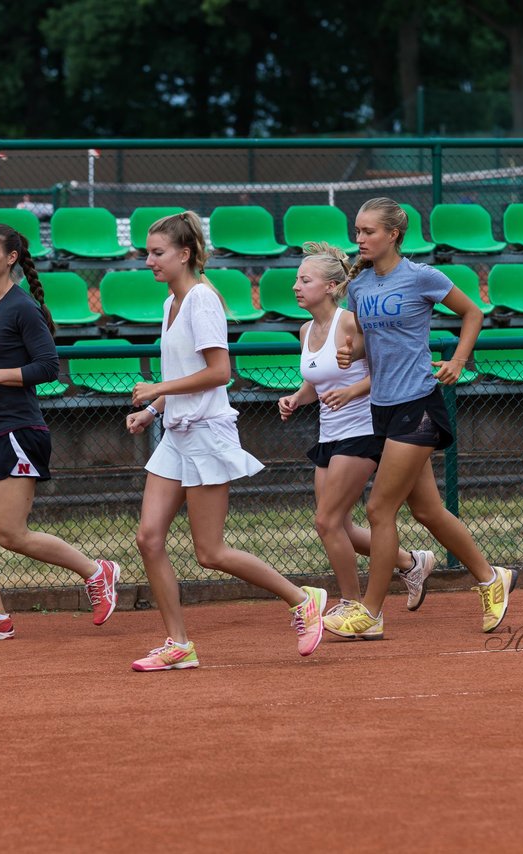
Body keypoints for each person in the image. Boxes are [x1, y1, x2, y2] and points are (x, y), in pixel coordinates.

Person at [124, 211, 327, 671]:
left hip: (207, 434)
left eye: (157, 253)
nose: (149, 261)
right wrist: (153, 410)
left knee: (210, 552)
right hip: (176, 433)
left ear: (185, 253)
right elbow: (182, 373)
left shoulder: (201, 300)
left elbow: (220, 373)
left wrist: (157, 391)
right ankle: (178, 643)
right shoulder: (170, 304)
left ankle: (302, 599)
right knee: (148, 538)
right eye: (148, 253)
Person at [0, 222, 121, 642]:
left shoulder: (23, 307)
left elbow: (48, 367)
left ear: (10, 258)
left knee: (11, 534)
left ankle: (96, 570)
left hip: (20, 430)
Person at [332, 197, 516, 638]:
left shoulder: (421, 277)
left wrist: (458, 359)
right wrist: (349, 351)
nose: (359, 239)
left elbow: (473, 312)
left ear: (393, 234)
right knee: (429, 512)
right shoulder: (359, 287)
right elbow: (365, 341)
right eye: (357, 231)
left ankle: (371, 613)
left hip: (418, 404)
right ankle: (492, 579)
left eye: (369, 231)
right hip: (383, 407)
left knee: (379, 508)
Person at [277, 242, 435, 635]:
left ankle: (355, 605)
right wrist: (297, 398)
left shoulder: (350, 321)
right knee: (340, 526)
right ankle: (409, 563)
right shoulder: (305, 329)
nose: (296, 286)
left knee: (326, 520)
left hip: (364, 431)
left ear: (332, 287)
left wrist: (352, 392)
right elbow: (316, 381)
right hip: (329, 435)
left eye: (305, 280)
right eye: (297, 279)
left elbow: (382, 369)